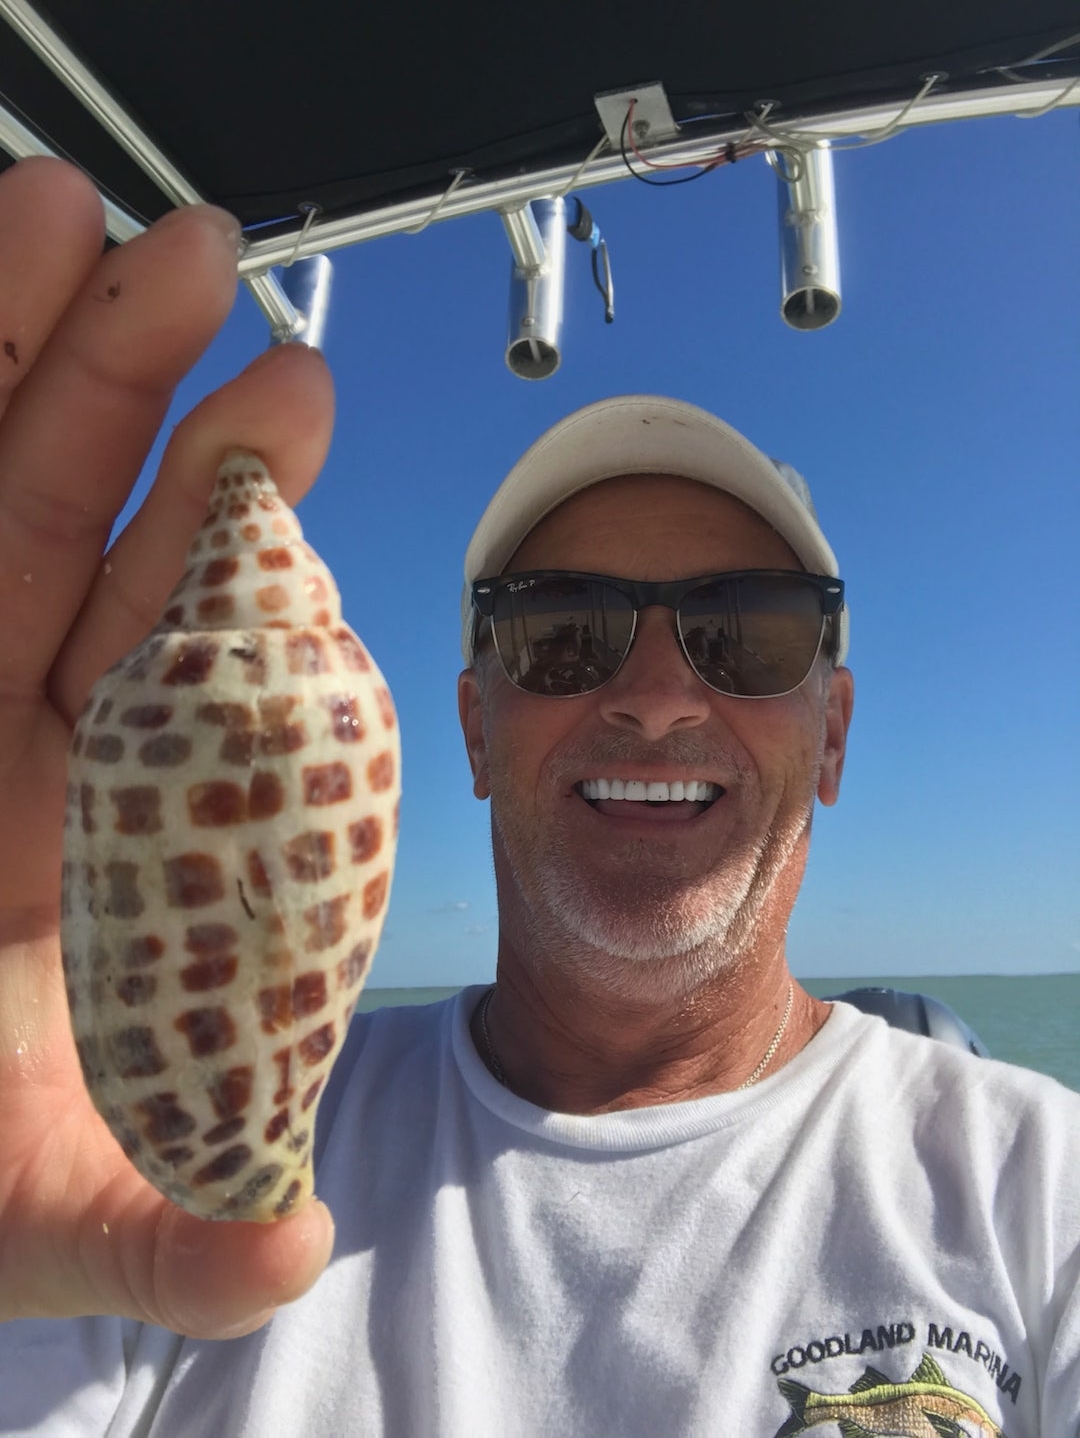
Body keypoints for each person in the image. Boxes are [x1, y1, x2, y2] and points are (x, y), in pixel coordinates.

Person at [0, 156, 1077, 1436]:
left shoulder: (1036, 1193)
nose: (661, 695)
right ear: (469, 725)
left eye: (751, 633)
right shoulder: (132, 1193)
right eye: (565, 631)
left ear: (831, 735)